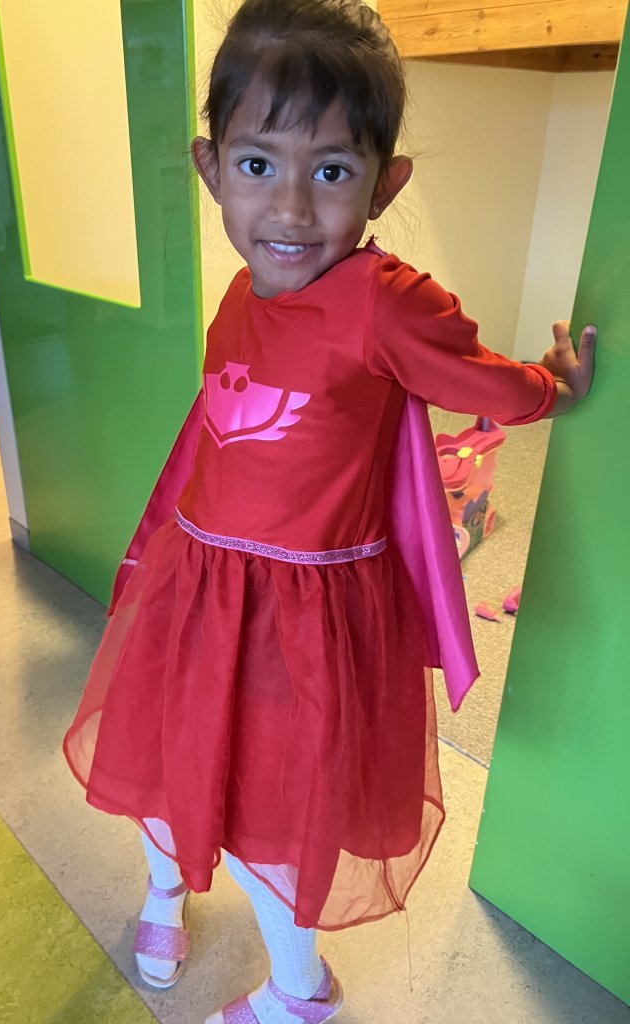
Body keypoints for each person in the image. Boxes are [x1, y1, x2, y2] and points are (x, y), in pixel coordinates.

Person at [63, 1, 596, 1021]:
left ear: (385, 182)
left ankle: (301, 987)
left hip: (302, 617)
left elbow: (481, 380)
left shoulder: (385, 301)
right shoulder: (240, 291)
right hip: (200, 587)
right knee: (164, 750)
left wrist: (551, 388)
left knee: (276, 808)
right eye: (258, 164)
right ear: (212, 168)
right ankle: (164, 887)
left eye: (333, 170)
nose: (291, 209)